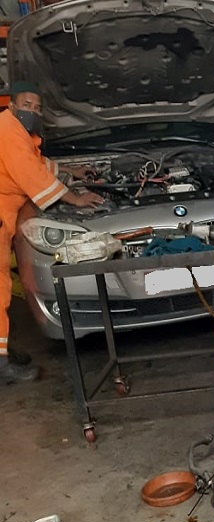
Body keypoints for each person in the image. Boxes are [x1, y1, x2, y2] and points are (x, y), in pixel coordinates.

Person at [0, 81, 103, 382]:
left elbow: (36, 161)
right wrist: (75, 198)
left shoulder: (14, 129)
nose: (32, 112)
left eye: (37, 108)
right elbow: (32, 174)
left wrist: (72, 171)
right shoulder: (7, 130)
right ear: (12, 105)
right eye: (26, 106)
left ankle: (2, 352)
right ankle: (1, 366)